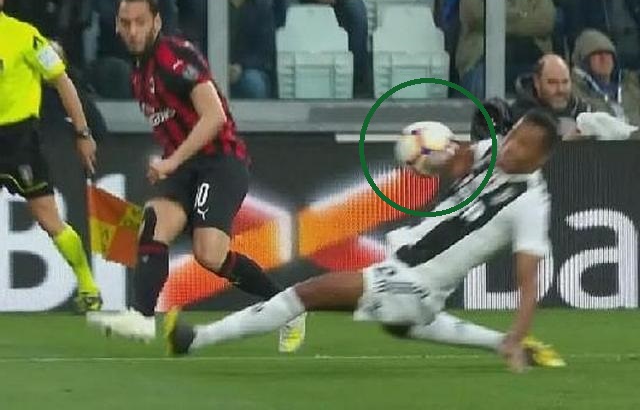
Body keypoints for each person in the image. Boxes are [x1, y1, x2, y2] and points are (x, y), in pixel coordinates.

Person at [165, 109, 566, 372]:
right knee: (405, 326)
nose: (510, 148)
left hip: (416, 281)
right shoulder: (492, 152)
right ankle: (505, 343)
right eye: (512, 137)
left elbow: (527, 279)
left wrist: (520, 327)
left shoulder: (530, 203)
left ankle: (196, 339)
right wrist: (433, 154)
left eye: (522, 147)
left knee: (308, 293)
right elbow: (457, 161)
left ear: (541, 158)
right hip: (406, 265)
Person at [87, 0, 305, 353]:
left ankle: (289, 307)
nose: (133, 31)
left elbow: (214, 116)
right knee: (154, 222)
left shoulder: (174, 55)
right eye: (126, 23)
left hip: (221, 161)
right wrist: (169, 163)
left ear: (156, 22)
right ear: (117, 26)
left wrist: (171, 161)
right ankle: (142, 318)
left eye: (140, 22)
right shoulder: (138, 74)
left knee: (210, 253)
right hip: (186, 166)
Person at [0, 0, 102, 313]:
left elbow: (62, 80)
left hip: (18, 141)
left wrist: (82, 132)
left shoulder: (25, 36)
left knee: (47, 217)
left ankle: (88, 286)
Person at [511, 54, 590, 138]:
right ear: (537, 83)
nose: (560, 89)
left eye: (565, 82)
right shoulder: (522, 116)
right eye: (552, 82)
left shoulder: (582, 110)